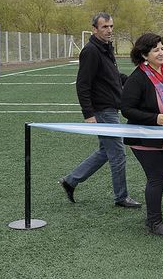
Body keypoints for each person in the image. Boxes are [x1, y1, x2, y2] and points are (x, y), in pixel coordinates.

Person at [59, 12, 140, 208]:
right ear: (95, 29)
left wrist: (134, 81)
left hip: (111, 107)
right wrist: (88, 114)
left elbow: (113, 75)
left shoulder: (105, 48)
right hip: (103, 111)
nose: (109, 30)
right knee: (118, 153)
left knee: (106, 151)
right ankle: (121, 197)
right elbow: (82, 84)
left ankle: (71, 180)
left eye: (111, 26)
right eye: (105, 27)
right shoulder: (91, 51)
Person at [121, 33, 163, 237]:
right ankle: (154, 222)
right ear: (144, 55)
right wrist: (154, 118)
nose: (161, 52)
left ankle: (154, 219)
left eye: (162, 48)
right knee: (156, 178)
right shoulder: (138, 77)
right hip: (146, 140)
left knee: (159, 177)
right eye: (156, 50)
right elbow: (126, 109)